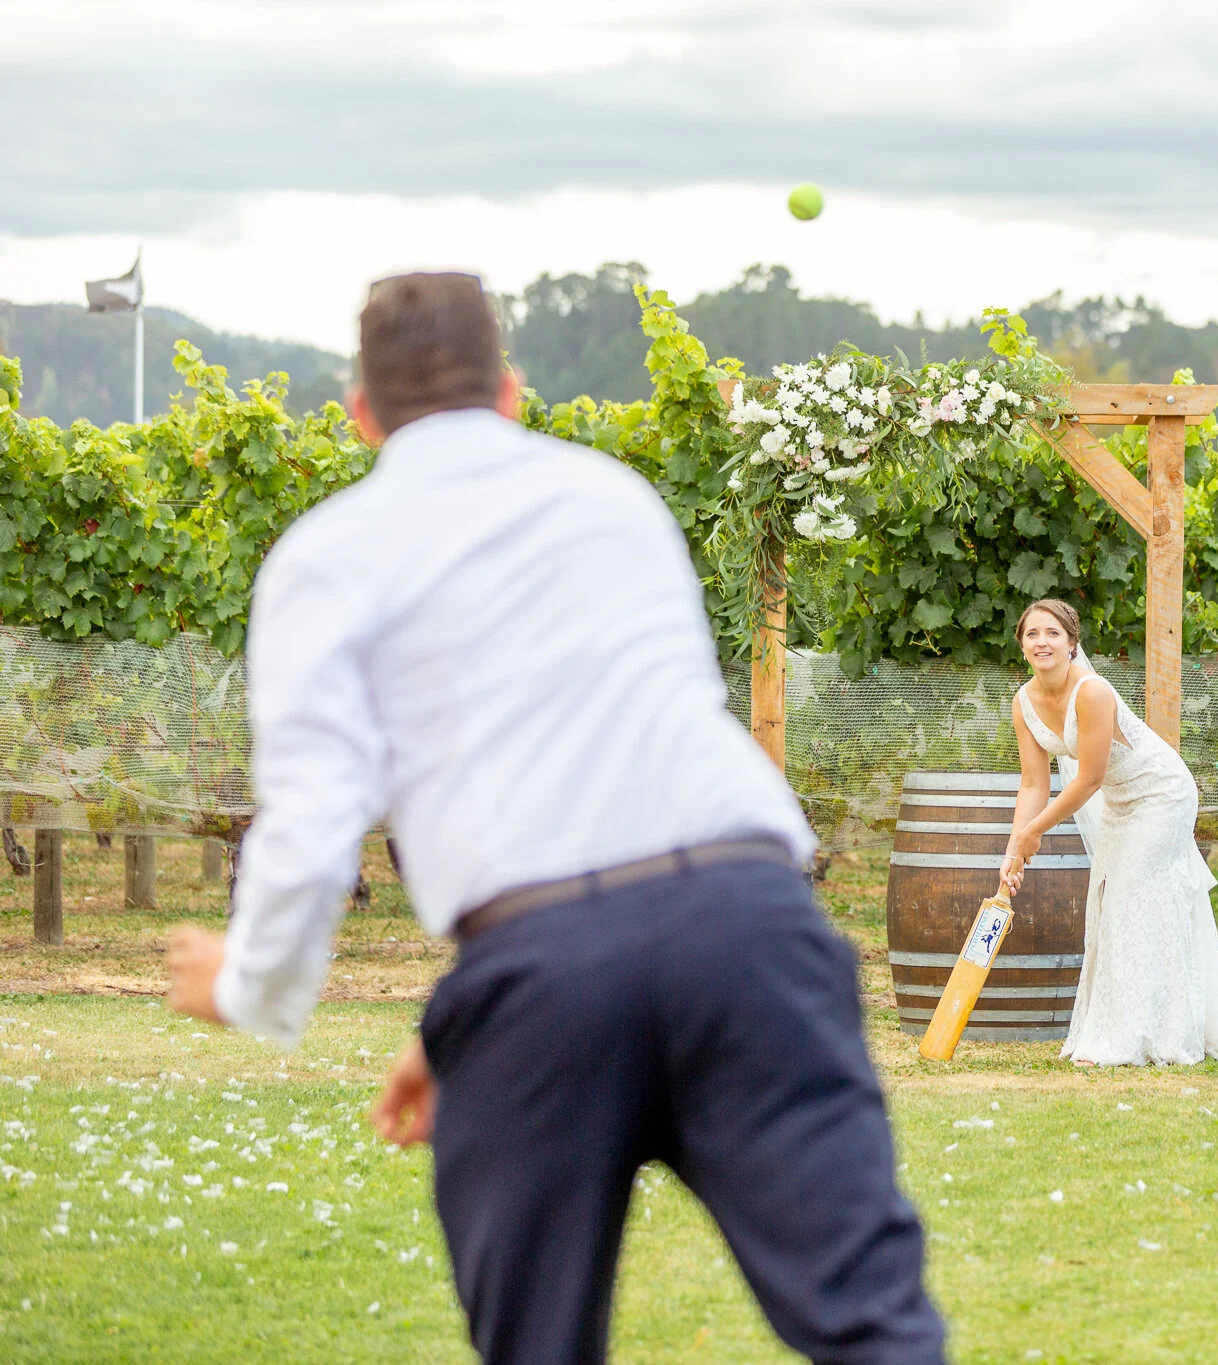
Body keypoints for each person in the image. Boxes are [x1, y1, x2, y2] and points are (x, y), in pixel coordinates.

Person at [162, 273, 946, 1365]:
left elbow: (314, 813)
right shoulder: (613, 501)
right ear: (514, 395)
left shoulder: (326, 558)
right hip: (751, 930)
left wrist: (249, 984)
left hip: (538, 979)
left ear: (361, 416)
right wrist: (458, 1032)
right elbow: (614, 759)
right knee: (875, 1333)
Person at [999, 599, 1218, 1067]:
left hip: (1159, 792)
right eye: (1032, 634)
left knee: (1134, 898)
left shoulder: (1092, 691)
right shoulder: (1023, 703)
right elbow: (1033, 783)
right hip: (1118, 802)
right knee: (1109, 905)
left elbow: (1088, 779)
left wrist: (1035, 834)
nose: (1042, 642)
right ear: (1022, 644)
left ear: (1072, 643)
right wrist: (1014, 849)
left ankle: (1135, 1040)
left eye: (1053, 633)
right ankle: (1121, 1030)